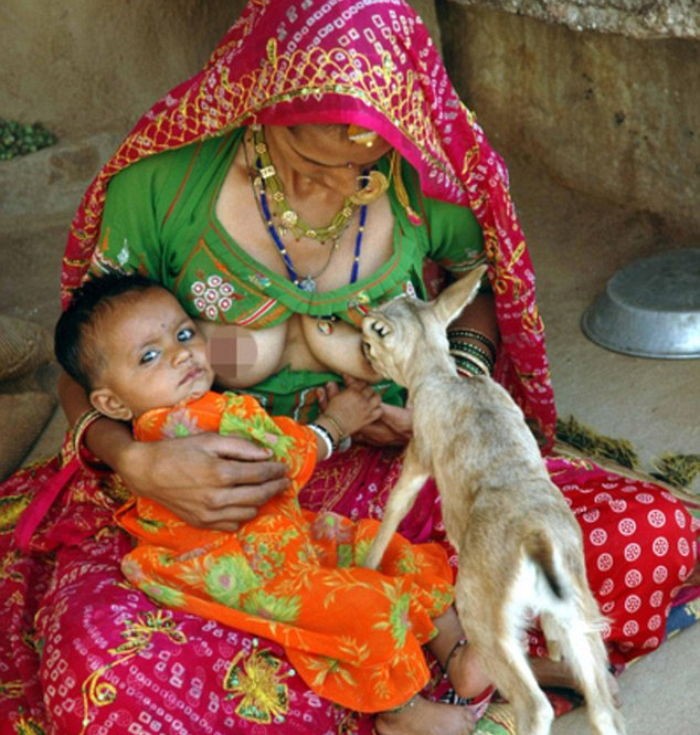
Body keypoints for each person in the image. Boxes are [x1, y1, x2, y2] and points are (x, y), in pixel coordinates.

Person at [1, 1, 697, 734]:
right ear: (263, 102)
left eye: (363, 168)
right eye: (307, 161)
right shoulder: (163, 191)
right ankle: (450, 661)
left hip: (399, 472)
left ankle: (418, 662)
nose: (331, 192)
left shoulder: (422, 174)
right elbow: (86, 354)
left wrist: (449, 388)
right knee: (110, 663)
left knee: (651, 529)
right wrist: (136, 460)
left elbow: (478, 282)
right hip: (215, 503)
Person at [52, 269, 492, 722]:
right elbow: (276, 463)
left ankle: (458, 651)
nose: (182, 353)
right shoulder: (185, 425)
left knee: (373, 543)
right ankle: (402, 710)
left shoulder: (192, 410)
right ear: (111, 406)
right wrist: (335, 425)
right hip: (240, 565)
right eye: (149, 356)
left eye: (185, 334)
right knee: (359, 607)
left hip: (276, 536)